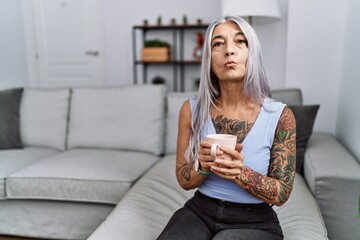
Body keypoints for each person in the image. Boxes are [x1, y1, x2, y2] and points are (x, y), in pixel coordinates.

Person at [157, 15, 296, 240]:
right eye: (218, 43)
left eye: (240, 41)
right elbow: (184, 180)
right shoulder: (190, 109)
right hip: (200, 211)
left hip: (255, 221)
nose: (229, 51)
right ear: (209, 59)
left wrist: (240, 173)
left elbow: (281, 194)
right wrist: (202, 165)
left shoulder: (281, 116)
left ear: (253, 54)